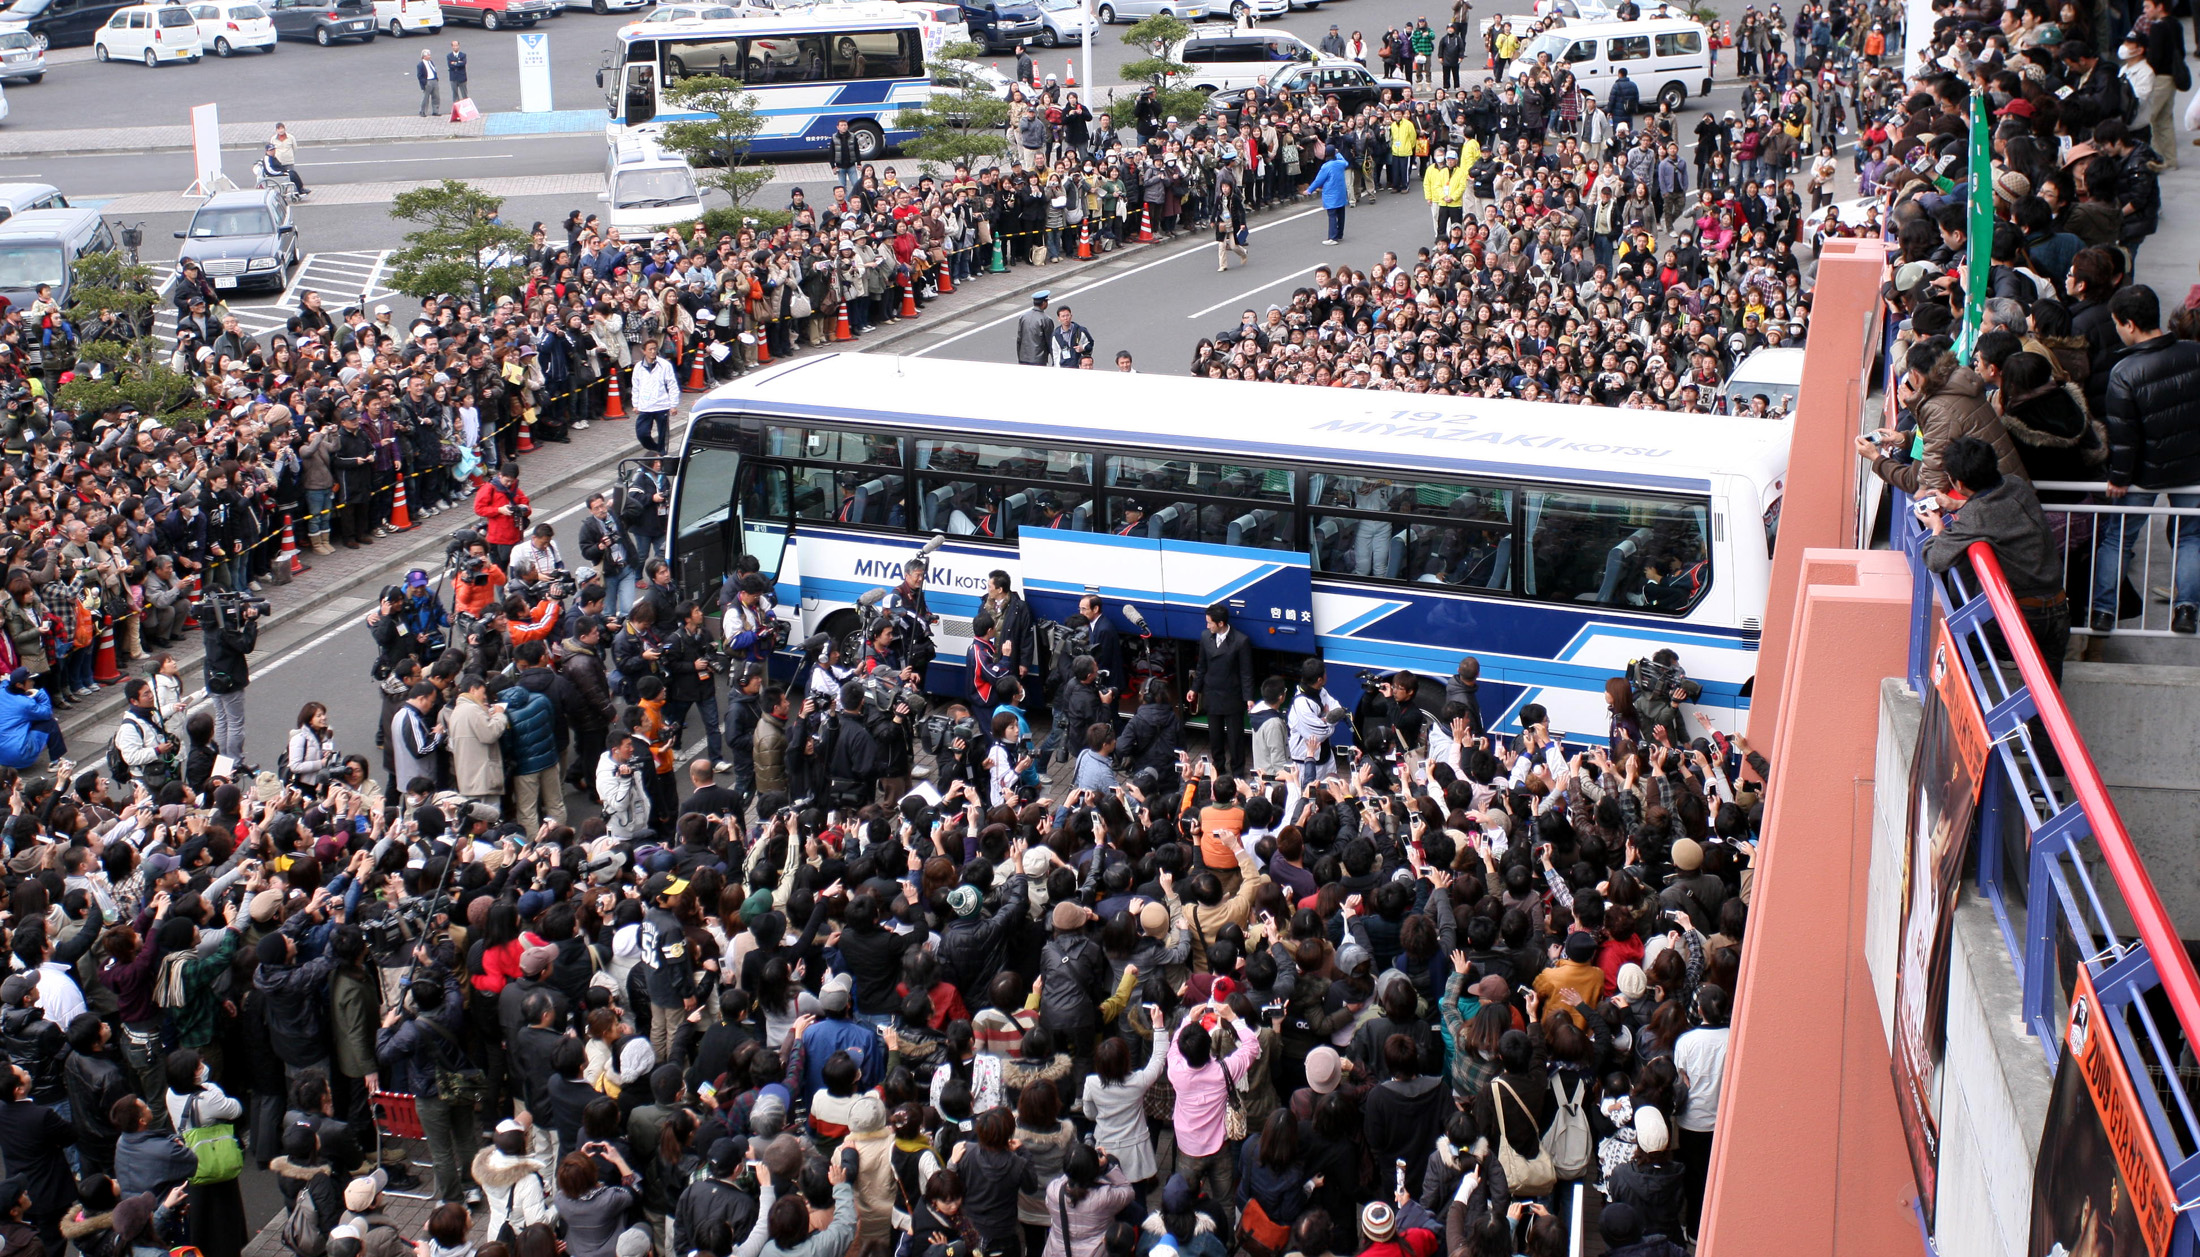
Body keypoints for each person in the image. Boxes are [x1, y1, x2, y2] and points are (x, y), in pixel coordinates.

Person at [2093, 283, 2200, 635]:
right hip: (2192, 469)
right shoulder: (2194, 353)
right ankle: (2187, 610)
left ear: (2129, 324)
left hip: (2142, 474)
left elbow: (2124, 437)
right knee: (2191, 538)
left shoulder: (2124, 373)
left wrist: (2119, 478)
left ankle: (2103, 612)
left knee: (2118, 539)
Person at [1920, 436, 2073, 676]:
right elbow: (1996, 511)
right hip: (2058, 609)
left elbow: (1934, 558)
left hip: (2019, 617)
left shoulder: (1976, 517)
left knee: (1957, 663)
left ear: (1958, 482)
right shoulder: (2016, 485)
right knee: (2046, 696)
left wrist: (1936, 527)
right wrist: (1958, 505)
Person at [1189, 603, 1254, 781]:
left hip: (1232, 696)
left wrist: (1248, 698)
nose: (1207, 626)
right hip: (1212, 694)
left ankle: (1238, 771)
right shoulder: (1205, 637)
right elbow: (1201, 667)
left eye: (1210, 623)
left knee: (1235, 738)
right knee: (1215, 736)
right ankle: (1219, 768)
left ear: (1221, 623)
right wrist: (1194, 689)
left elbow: (1246, 672)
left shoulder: (1240, 641)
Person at [202, 596, 259, 765]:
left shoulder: (207, 627)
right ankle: (234, 760)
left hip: (214, 679)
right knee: (235, 722)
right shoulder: (223, 630)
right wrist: (250, 623)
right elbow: (246, 645)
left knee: (221, 720)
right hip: (230, 680)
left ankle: (223, 759)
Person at [629, 338, 681, 456]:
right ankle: (655, 449)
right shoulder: (638, 367)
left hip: (661, 405)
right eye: (650, 349)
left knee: (663, 434)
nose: (653, 352)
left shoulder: (665, 365)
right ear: (644, 351)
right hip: (645, 406)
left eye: (654, 349)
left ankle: (662, 455)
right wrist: (635, 404)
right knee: (642, 434)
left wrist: (673, 405)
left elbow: (672, 385)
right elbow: (635, 386)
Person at [1305, 146, 1351, 245]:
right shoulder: (1340, 164)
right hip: (1341, 192)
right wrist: (1338, 153)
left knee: (1332, 215)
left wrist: (1310, 190)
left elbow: (1319, 180)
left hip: (1331, 193)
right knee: (1341, 213)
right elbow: (1346, 162)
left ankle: (1333, 237)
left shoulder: (1326, 166)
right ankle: (1339, 234)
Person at [1016, 291, 1053, 366]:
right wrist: (1054, 359)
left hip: (1023, 357)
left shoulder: (1023, 317)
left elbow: (1019, 339)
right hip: (1038, 359)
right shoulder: (1046, 319)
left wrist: (1019, 356)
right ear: (1043, 303)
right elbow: (1050, 342)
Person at [417, 50, 442, 118]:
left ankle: (435, 111)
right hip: (427, 82)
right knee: (425, 97)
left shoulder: (430, 62)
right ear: (424, 56)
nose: (430, 56)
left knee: (436, 96)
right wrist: (425, 83)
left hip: (434, 80)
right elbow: (419, 76)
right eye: (428, 55)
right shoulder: (420, 65)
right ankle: (422, 111)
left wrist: (436, 78)